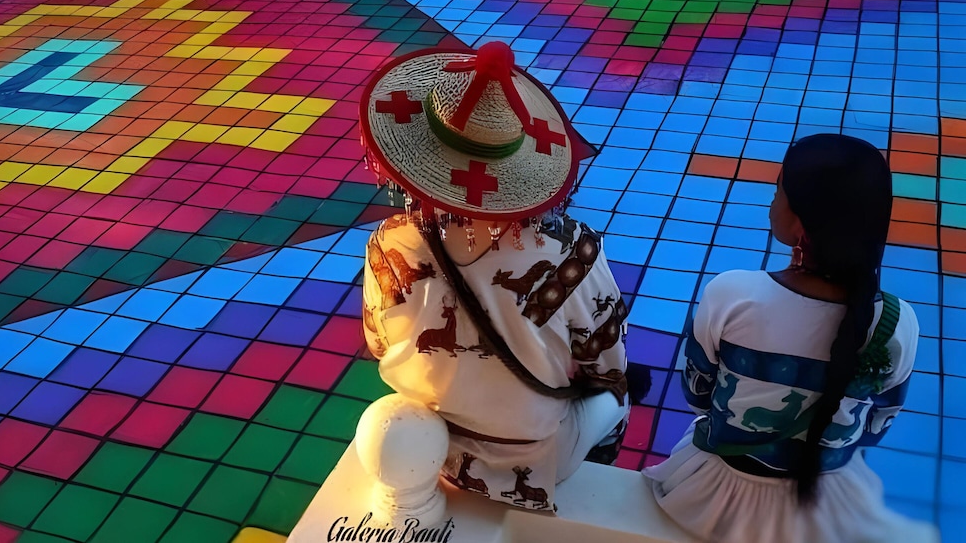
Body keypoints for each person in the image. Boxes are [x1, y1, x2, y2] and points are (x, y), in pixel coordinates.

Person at [358, 41, 640, 511]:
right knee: (618, 396)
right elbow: (606, 364)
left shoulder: (390, 242)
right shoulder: (571, 249)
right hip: (531, 454)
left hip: (428, 444)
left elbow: (379, 344)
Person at [643, 134, 934, 542]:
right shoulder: (897, 323)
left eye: (778, 190)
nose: (771, 200)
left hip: (716, 494)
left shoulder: (733, 295)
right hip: (830, 501)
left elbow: (698, 396)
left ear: (800, 224)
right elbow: (876, 425)